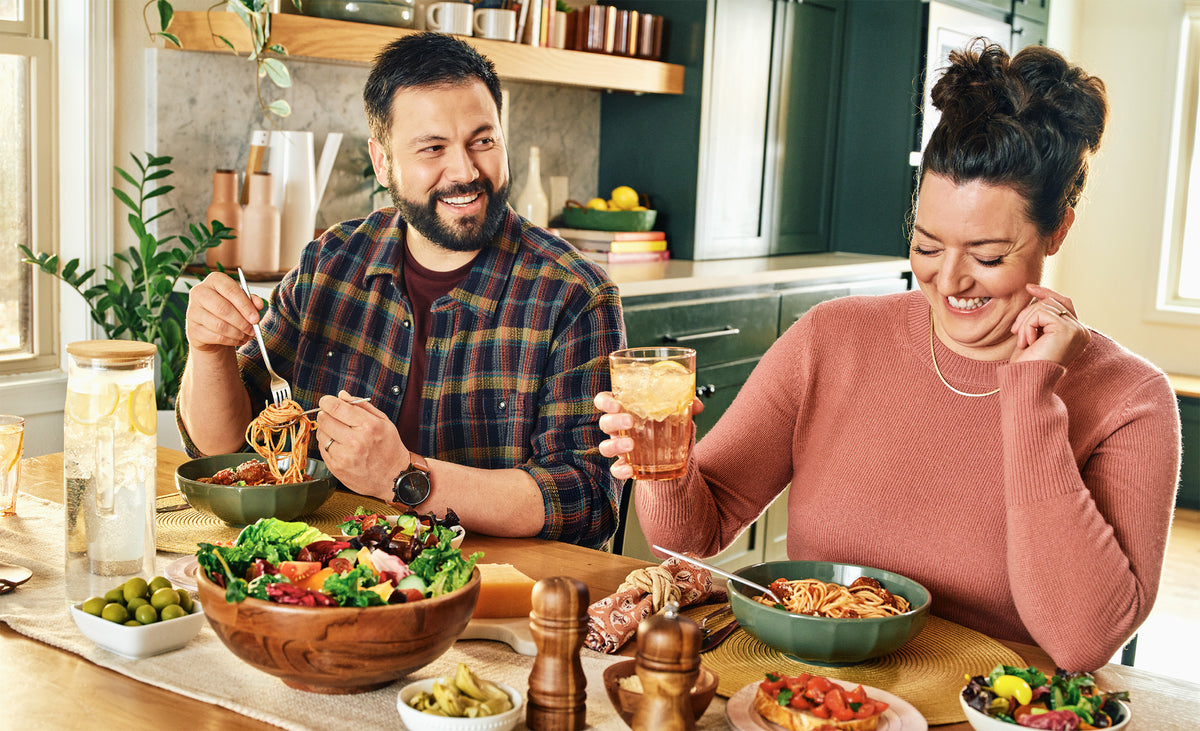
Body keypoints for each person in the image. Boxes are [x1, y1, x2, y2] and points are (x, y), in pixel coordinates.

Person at [595, 41, 1181, 671]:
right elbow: (689, 538)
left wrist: (1032, 397)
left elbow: (1082, 641)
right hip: (820, 697)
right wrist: (664, 463)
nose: (950, 281)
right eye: (927, 245)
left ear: (1057, 230)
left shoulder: (1131, 400)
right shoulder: (832, 339)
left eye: (987, 257)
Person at [179, 32, 626, 550]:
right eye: (433, 148)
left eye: (483, 140)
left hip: (493, 594)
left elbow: (587, 501)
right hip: (322, 570)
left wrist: (402, 477)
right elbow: (226, 445)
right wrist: (207, 352)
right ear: (382, 160)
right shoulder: (329, 262)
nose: (465, 171)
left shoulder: (575, 295)